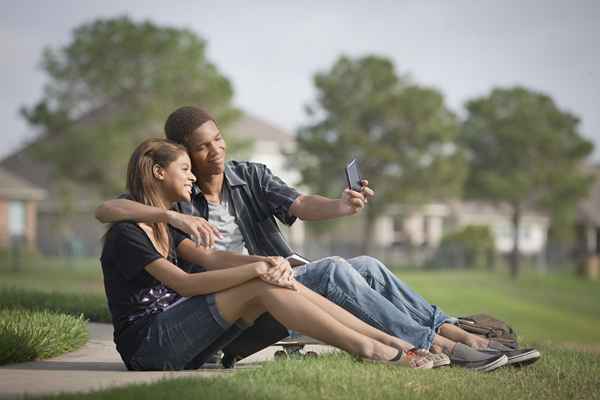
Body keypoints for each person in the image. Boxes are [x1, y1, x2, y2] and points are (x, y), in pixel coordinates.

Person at [96, 107, 537, 369]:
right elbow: (114, 210)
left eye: (219, 139)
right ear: (181, 155)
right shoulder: (177, 205)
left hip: (273, 281)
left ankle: (454, 332)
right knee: (336, 271)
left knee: (367, 264)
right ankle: (434, 347)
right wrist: (176, 220)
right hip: (244, 301)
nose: (216, 151)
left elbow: (299, 203)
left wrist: (342, 206)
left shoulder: (247, 176)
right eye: (202, 148)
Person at [101, 138, 442, 370]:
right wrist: (257, 271)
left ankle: (388, 342)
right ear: (159, 173)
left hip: (183, 340)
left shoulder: (170, 225)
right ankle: (373, 350)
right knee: (263, 285)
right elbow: (185, 284)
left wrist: (268, 263)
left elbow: (211, 260)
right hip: (148, 347)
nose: (192, 176)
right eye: (185, 169)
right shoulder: (129, 232)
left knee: (277, 283)